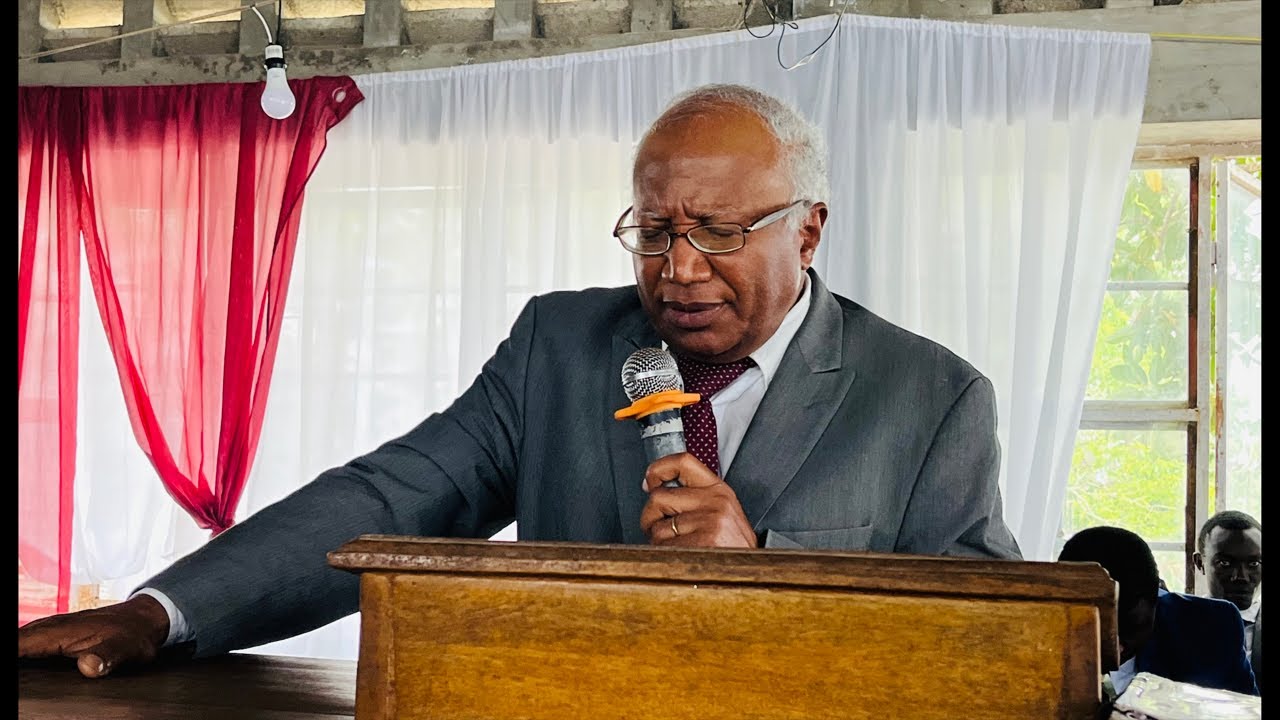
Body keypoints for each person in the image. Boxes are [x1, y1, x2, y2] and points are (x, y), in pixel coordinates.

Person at [18, 83, 1021, 679]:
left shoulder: (934, 399)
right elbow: (390, 498)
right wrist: (162, 613)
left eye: (716, 232)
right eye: (654, 231)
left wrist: (765, 565)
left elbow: (984, 644)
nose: (677, 269)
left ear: (807, 229)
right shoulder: (560, 345)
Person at [1058, 526, 1258, 696]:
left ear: (1156, 597)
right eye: (1098, 628)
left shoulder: (1212, 629)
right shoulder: (1045, 633)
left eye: (1128, 628)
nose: (1116, 645)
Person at [1194, 510, 1262, 691]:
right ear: (1200, 563)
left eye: (1254, 564)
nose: (1241, 577)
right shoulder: (1178, 624)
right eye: (1225, 563)